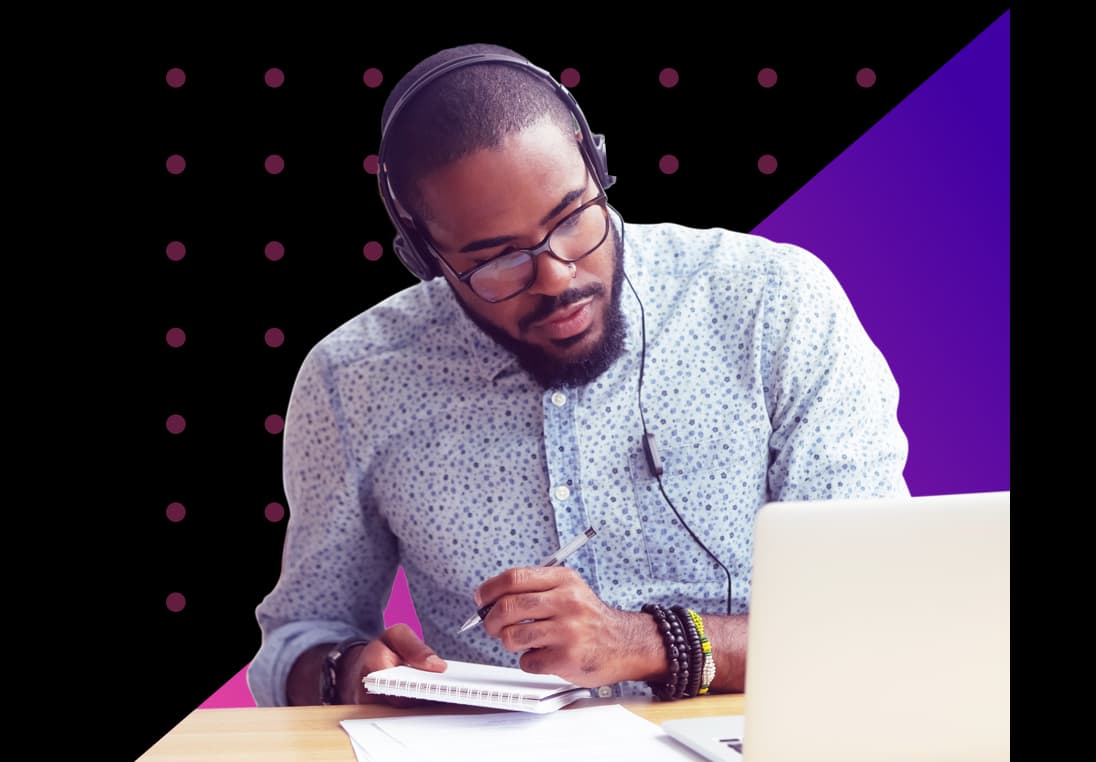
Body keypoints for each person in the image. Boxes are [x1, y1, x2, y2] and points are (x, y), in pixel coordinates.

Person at [246, 42, 909, 708]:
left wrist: (646, 643)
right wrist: (346, 672)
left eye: (571, 218)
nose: (557, 276)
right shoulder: (352, 381)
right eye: (497, 259)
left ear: (597, 166)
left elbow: (880, 611)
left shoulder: (774, 302)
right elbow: (298, 639)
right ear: (425, 257)